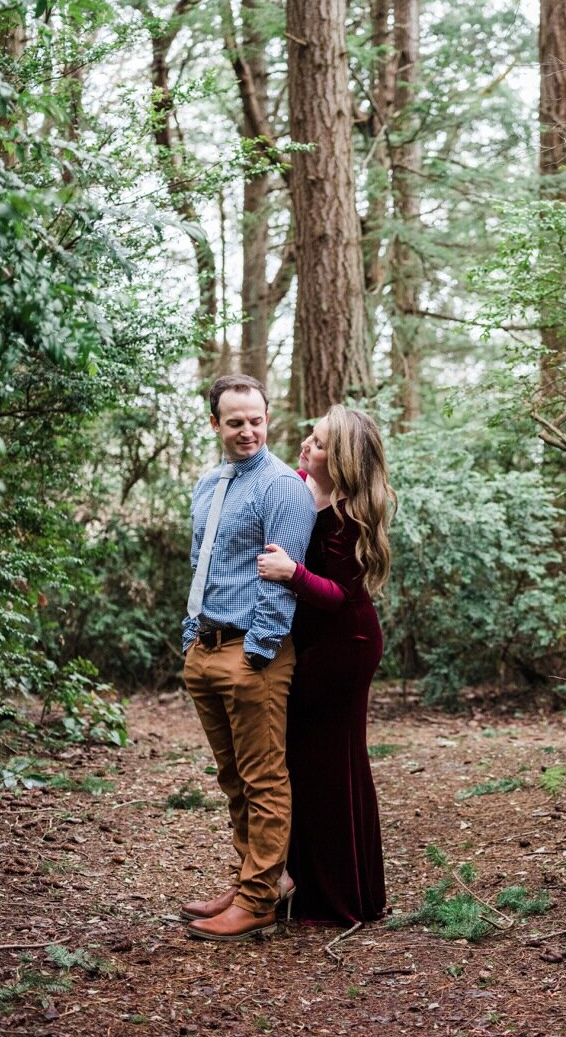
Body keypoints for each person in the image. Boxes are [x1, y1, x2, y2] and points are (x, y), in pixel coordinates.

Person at [178, 375, 315, 942]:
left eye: (256, 419)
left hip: (251, 655)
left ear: (267, 418)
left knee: (262, 779)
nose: (247, 431)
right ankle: (255, 878)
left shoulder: (282, 486)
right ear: (216, 424)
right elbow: (201, 563)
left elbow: (281, 581)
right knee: (232, 777)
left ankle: (259, 900)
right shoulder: (210, 482)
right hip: (205, 648)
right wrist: (192, 637)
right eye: (235, 422)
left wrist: (256, 652)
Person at [257, 404, 393, 925]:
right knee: (310, 762)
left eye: (316, 443)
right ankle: (297, 880)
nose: (304, 446)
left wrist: (292, 572)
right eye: (309, 438)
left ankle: (339, 897)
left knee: (327, 766)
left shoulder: (347, 514)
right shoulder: (300, 488)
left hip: (345, 645)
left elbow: (338, 595)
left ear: (340, 461)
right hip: (315, 644)